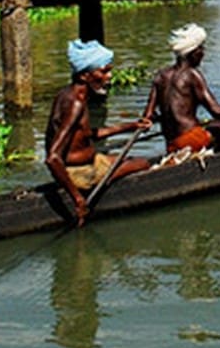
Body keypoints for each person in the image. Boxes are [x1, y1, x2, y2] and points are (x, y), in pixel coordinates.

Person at [45, 39, 152, 227]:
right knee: (143, 164)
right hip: (80, 173)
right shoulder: (75, 103)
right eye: (104, 71)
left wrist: (131, 126)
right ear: (86, 76)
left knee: (125, 159)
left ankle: (108, 176)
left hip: (90, 161)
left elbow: (88, 135)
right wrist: (77, 199)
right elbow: (53, 158)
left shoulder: (67, 94)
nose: (109, 76)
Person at [143, 24, 220, 155]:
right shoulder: (192, 75)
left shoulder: (160, 76)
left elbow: (147, 116)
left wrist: (156, 118)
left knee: (216, 125)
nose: (203, 54)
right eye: (201, 49)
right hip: (190, 140)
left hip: (171, 145)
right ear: (194, 52)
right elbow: (218, 111)